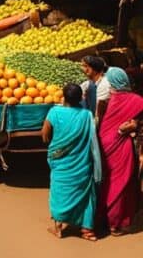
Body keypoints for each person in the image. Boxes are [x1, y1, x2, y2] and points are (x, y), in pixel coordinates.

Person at [42, 84, 102, 241]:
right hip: (82, 163)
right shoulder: (86, 115)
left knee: (59, 192)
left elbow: (45, 135)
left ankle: (58, 228)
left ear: (64, 96)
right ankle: (87, 231)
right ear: (80, 98)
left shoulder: (54, 112)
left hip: (60, 161)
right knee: (87, 194)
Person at [97, 67, 143, 236]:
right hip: (121, 144)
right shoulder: (136, 100)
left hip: (105, 145)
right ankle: (117, 222)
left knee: (109, 181)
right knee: (122, 183)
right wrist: (133, 126)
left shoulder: (108, 100)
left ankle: (107, 220)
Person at [80, 56, 111, 121]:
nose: (82, 69)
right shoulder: (89, 83)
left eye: (85, 66)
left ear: (94, 68)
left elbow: (99, 112)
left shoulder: (104, 84)